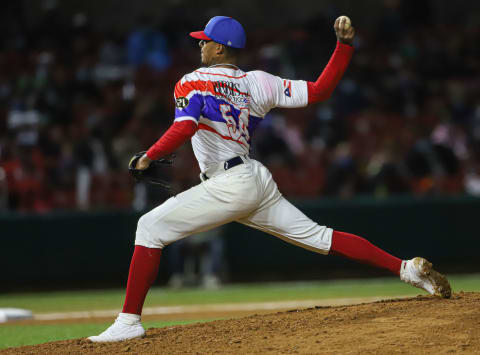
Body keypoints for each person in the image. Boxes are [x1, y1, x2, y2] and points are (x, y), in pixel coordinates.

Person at [88, 15, 451, 342]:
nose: (200, 44)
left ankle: (129, 321)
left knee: (149, 228)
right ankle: (406, 269)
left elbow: (184, 127)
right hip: (254, 179)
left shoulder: (192, 82)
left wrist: (146, 157)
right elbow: (320, 90)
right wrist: (344, 47)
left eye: (204, 40)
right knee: (320, 236)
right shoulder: (258, 82)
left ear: (219, 48)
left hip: (231, 183)